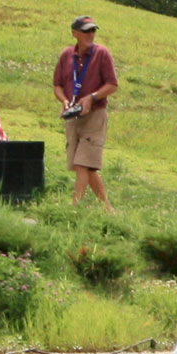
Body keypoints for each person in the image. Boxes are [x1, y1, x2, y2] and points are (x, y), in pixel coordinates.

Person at [55, 15, 119, 212]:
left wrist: (91, 97)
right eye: (86, 31)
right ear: (75, 33)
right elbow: (57, 84)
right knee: (83, 165)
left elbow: (112, 85)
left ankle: (74, 206)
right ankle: (108, 209)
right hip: (73, 117)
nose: (90, 34)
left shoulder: (102, 54)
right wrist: (65, 101)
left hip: (94, 115)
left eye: (93, 31)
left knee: (83, 163)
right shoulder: (67, 55)